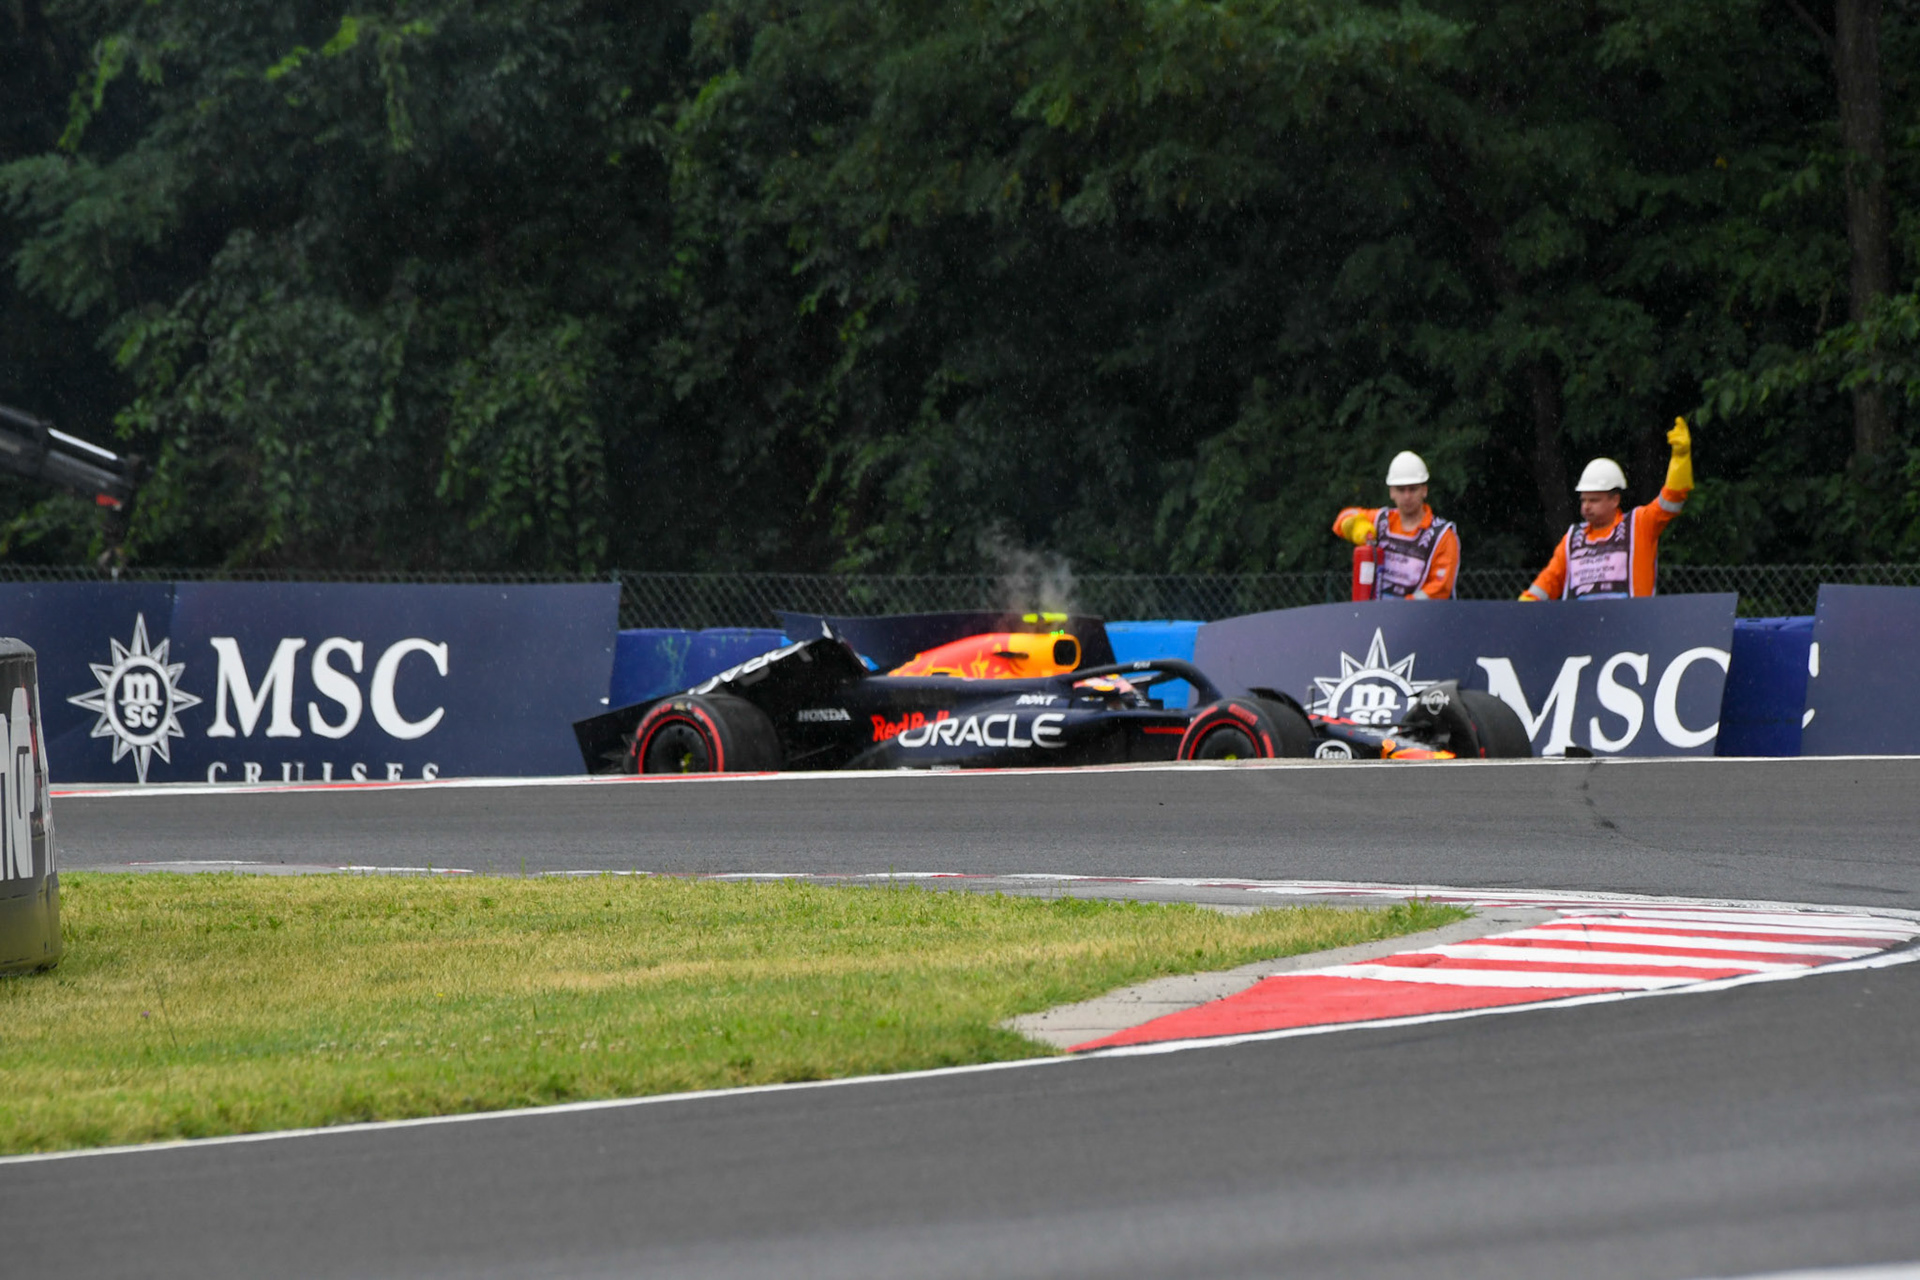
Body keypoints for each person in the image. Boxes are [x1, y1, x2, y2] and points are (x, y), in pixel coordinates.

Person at [1521, 418, 1693, 601]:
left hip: (1631, 626)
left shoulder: (1639, 525)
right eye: (1583, 500)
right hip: (1582, 627)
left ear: (1615, 500)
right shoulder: (1573, 538)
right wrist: (1524, 605)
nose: (1586, 506)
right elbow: (1549, 580)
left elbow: (1671, 500)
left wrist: (1680, 458)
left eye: (1594, 500)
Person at [1331, 451, 1461, 600]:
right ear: (1391, 492)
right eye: (1401, 489)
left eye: (1413, 489)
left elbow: (1440, 589)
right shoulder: (1381, 520)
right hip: (1379, 617)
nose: (1407, 496)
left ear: (1424, 491)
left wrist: (1402, 607)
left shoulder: (1443, 536)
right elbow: (1342, 518)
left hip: (1424, 618)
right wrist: (1357, 528)